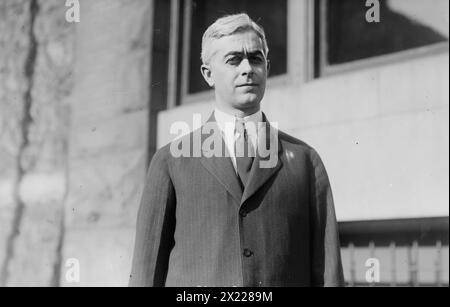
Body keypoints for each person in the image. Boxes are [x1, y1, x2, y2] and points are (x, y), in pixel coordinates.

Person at [129, 13, 344, 287]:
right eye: (233, 60)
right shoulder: (172, 160)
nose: (247, 69)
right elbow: (146, 276)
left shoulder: (304, 161)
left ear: (266, 66)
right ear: (208, 74)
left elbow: (328, 275)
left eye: (255, 59)